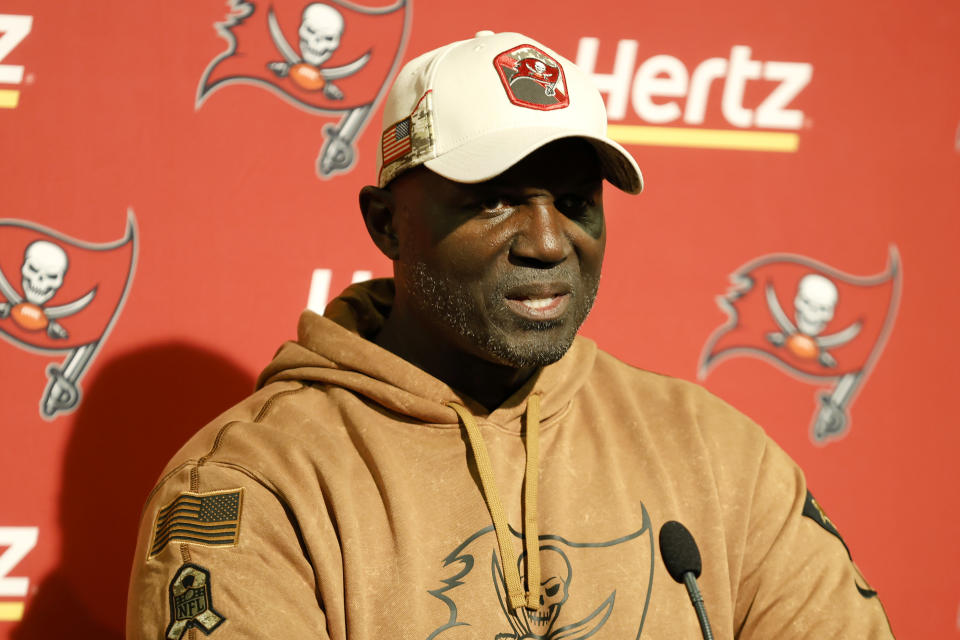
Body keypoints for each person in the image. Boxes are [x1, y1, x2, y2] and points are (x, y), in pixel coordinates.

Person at [127, 31, 894, 639]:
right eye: (495, 201)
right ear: (386, 223)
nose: (548, 242)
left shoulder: (716, 452)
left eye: (573, 200)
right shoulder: (257, 484)